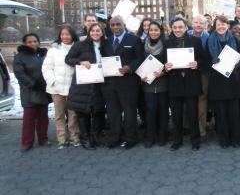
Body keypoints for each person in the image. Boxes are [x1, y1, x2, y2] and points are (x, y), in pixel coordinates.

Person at [102, 16, 144, 149]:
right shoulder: (107, 41)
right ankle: (115, 137)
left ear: (123, 24)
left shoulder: (134, 39)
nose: (115, 27)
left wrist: (130, 67)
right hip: (111, 83)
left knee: (129, 111)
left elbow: (140, 58)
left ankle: (131, 138)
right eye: (112, 25)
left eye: (118, 24)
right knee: (113, 112)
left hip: (128, 83)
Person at [65, 23, 107, 150]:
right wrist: (80, 62)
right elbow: (68, 59)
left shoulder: (106, 45)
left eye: (98, 31)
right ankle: (85, 138)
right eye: (93, 31)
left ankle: (95, 137)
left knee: (98, 112)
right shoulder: (80, 45)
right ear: (89, 32)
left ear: (102, 32)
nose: (95, 33)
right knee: (83, 113)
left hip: (100, 85)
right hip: (83, 85)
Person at [164, 17, 203, 151]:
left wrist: (197, 63)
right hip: (175, 82)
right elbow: (164, 62)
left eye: (180, 27)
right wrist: (166, 67)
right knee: (176, 115)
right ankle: (177, 140)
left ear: (186, 28)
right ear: (172, 28)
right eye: (175, 27)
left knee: (193, 113)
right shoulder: (167, 42)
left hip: (191, 82)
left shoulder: (195, 41)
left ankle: (195, 140)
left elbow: (203, 59)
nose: (177, 30)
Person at [206, 15, 240, 148]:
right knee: (220, 113)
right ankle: (224, 139)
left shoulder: (235, 40)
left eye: (223, 24)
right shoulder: (209, 41)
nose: (221, 27)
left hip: (232, 81)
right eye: (218, 25)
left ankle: (235, 139)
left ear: (228, 26)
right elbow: (205, 61)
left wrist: (237, 64)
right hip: (217, 82)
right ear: (215, 27)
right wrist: (212, 62)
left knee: (234, 112)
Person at [42, 25, 80, 149]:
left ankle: (74, 135)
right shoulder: (53, 50)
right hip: (56, 88)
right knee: (59, 115)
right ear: (60, 36)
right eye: (63, 34)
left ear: (72, 35)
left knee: (73, 114)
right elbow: (46, 68)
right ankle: (62, 137)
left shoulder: (78, 48)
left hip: (73, 88)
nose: (65, 37)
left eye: (68, 34)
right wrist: (52, 81)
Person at [14, 33, 51, 152]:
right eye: (30, 42)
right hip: (29, 91)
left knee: (43, 117)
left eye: (35, 41)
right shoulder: (20, 57)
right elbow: (19, 73)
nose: (33, 43)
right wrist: (32, 84)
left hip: (43, 90)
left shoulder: (43, 54)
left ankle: (43, 139)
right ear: (25, 43)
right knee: (29, 118)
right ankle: (27, 142)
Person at [140, 21, 169, 148]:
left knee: (163, 110)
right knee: (150, 110)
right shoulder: (142, 45)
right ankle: (150, 136)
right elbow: (138, 62)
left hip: (163, 82)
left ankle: (162, 135)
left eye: (156, 30)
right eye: (151, 30)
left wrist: (163, 72)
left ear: (160, 31)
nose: (153, 32)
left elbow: (171, 63)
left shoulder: (166, 44)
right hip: (148, 83)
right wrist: (141, 75)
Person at [187, 15, 210, 141]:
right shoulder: (186, 35)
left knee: (202, 101)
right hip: (188, 73)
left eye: (201, 23)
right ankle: (188, 127)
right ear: (192, 23)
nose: (198, 25)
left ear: (205, 24)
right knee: (189, 101)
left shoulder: (208, 37)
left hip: (203, 73)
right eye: (196, 22)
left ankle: (201, 130)